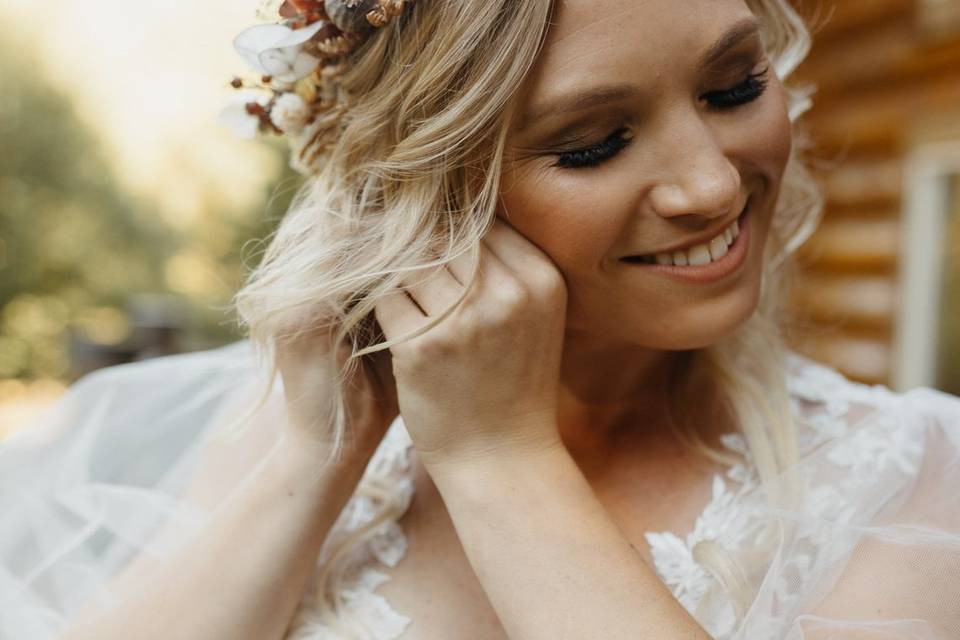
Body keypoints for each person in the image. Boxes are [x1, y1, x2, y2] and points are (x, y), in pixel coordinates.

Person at [2, 0, 959, 638]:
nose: (713, 185)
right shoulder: (284, 430)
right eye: (594, 144)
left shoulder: (915, 482)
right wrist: (317, 454)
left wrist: (502, 458)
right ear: (418, 190)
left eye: (735, 87)